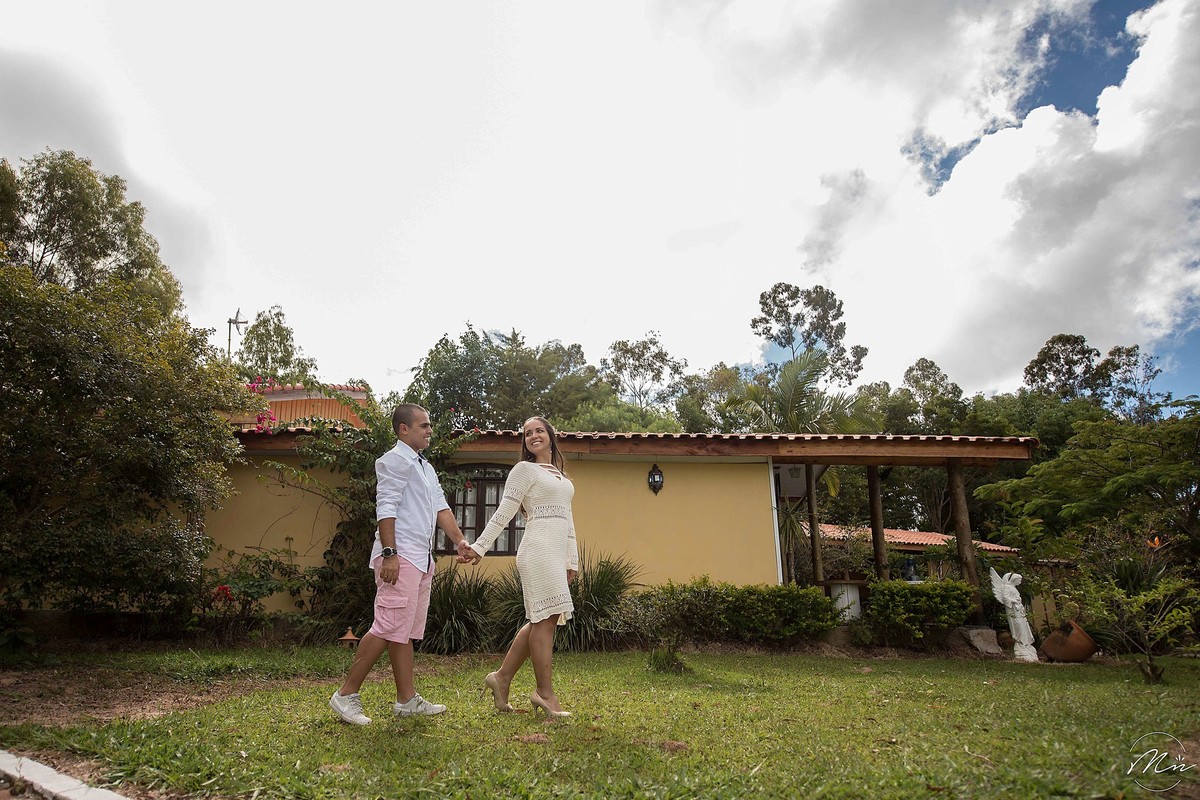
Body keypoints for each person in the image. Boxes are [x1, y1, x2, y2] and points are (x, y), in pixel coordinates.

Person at [329, 403, 476, 724]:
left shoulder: (425, 467)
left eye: (429, 425)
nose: (430, 430)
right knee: (386, 626)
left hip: (420, 559)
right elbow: (386, 507)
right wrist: (389, 553)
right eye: (424, 425)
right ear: (403, 429)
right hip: (400, 556)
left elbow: (441, 508)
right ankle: (345, 695)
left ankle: (406, 700)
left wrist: (459, 541)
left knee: (403, 631)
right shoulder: (394, 460)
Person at [463, 416, 579, 720]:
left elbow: (568, 520)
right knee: (545, 619)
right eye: (528, 433)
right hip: (537, 551)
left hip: (556, 553)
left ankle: (501, 678)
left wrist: (572, 559)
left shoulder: (561, 476)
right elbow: (504, 512)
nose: (533, 436)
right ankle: (544, 693)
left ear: (551, 436)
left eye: (539, 430)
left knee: (543, 618)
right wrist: (480, 546)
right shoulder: (524, 470)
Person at [988, 567, 1038, 663]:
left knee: (1023, 627)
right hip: (1014, 611)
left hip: (1019, 611)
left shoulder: (1013, 588)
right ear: (1015, 579)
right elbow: (1005, 598)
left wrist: (1018, 601)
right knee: (1018, 627)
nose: (1020, 582)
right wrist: (1015, 601)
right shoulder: (1007, 587)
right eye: (1019, 580)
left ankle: (1026, 646)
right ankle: (1020, 645)